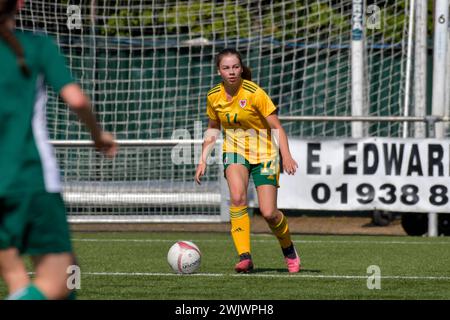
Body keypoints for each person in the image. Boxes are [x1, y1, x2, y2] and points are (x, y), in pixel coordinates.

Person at [0, 0, 117, 299]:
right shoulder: (36, 46)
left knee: (17, 282)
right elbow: (76, 100)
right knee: (64, 280)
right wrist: (98, 135)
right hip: (28, 177)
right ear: (20, 5)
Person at [195, 48, 301, 273]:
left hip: (265, 154)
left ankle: (288, 248)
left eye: (235, 67)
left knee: (269, 213)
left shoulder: (255, 93)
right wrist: (202, 158)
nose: (231, 72)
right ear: (218, 71)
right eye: (226, 68)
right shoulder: (213, 96)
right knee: (237, 197)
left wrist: (287, 155)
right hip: (235, 152)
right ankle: (245, 257)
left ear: (241, 68)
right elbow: (213, 128)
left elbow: (277, 127)